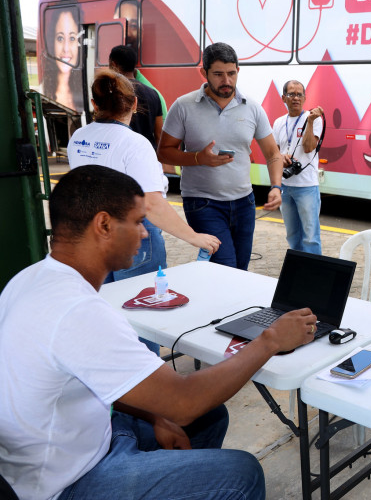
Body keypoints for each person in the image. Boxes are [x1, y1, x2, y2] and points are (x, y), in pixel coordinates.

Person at [0, 165, 319, 500]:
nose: (144, 233)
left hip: (73, 441)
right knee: (242, 473)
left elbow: (98, 379)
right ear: (104, 225)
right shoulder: (78, 311)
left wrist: (156, 415)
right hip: (64, 483)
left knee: (209, 417)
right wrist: (270, 340)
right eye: (138, 221)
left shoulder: (31, 278)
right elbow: (184, 402)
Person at [68, 69, 219, 283]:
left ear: (95, 104)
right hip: (132, 236)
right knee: (139, 299)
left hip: (92, 234)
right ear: (134, 103)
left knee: (105, 298)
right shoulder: (135, 144)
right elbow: (150, 204)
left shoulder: (78, 137)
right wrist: (194, 237)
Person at [157, 42, 283, 270]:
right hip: (202, 203)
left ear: (238, 71)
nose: (226, 80)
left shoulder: (252, 108)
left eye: (231, 73)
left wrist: (276, 186)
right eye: (218, 74)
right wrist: (198, 158)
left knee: (241, 269)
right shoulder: (183, 106)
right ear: (203, 72)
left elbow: (273, 153)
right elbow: (164, 152)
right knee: (224, 265)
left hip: (244, 202)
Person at [273, 79, 324, 254]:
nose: (296, 98)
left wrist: (310, 122)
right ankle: (298, 267)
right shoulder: (279, 122)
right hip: (285, 186)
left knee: (310, 237)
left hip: (307, 186)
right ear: (283, 98)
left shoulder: (314, 120)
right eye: (291, 94)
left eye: (299, 94)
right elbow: (274, 153)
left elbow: (309, 147)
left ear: (304, 97)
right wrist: (281, 157)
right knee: (293, 235)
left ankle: (314, 269)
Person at [108, 45, 163, 149]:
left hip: (122, 152)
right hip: (147, 152)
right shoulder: (153, 94)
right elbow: (159, 135)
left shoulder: (112, 93)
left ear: (113, 64)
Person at [41, 3, 83, 113]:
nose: (66, 49)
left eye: (72, 38)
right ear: (52, 43)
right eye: (60, 38)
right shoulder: (41, 93)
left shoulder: (85, 91)